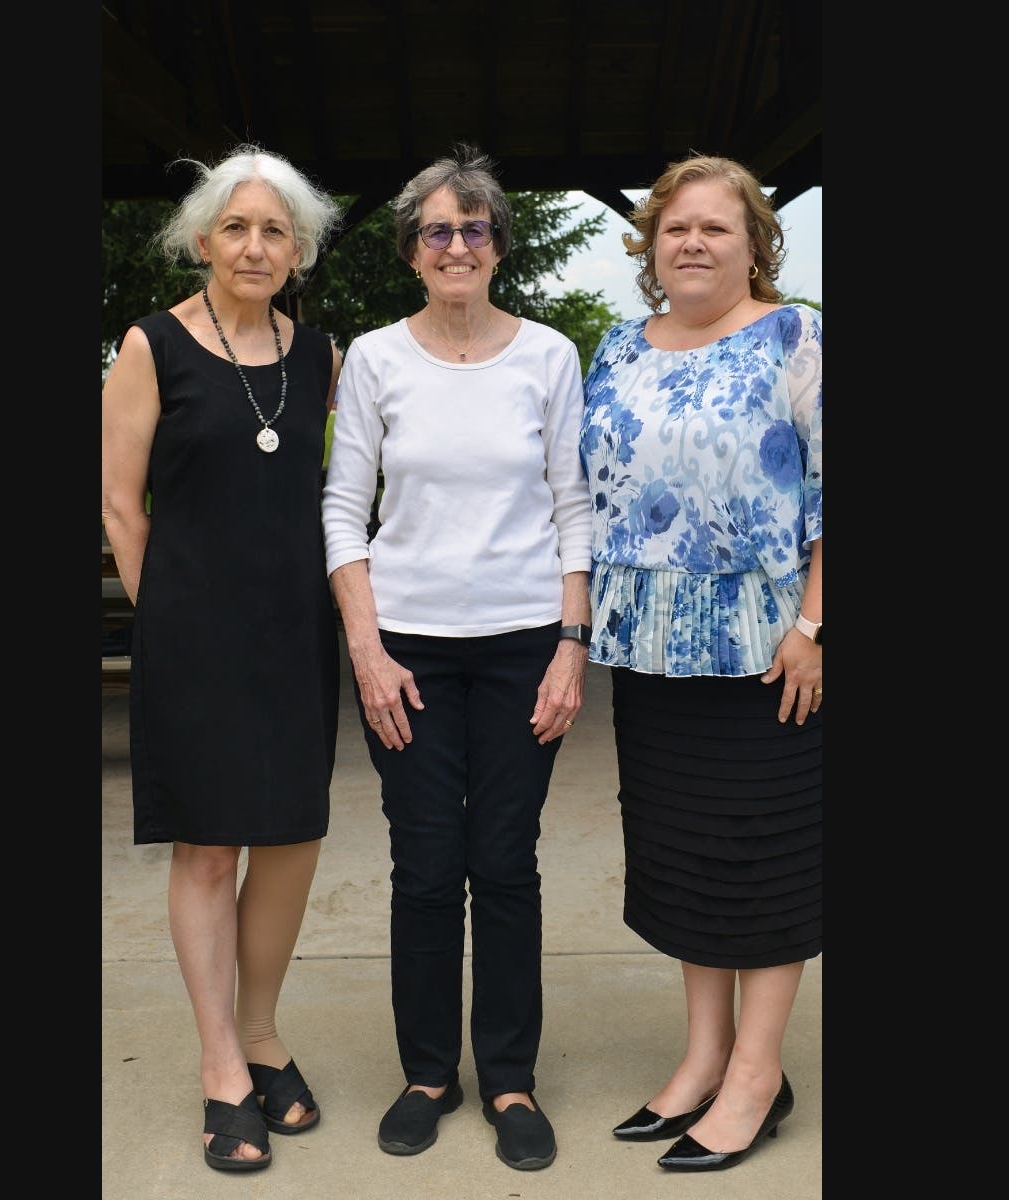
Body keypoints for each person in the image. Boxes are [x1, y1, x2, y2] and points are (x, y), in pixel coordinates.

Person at [320, 145, 591, 1172]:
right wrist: (366, 649)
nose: (456, 245)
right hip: (408, 652)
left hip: (525, 642)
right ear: (411, 252)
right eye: (437, 229)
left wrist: (571, 647)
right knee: (427, 865)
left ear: (496, 245)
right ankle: (428, 1073)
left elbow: (574, 507)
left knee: (504, 862)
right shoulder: (380, 357)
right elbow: (344, 510)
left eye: (474, 228)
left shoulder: (549, 357)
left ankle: (510, 1078)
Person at [100, 144, 342, 1175]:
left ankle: (261, 1030)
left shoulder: (320, 355)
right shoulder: (150, 344)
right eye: (236, 227)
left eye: (275, 230)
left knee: (288, 841)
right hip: (193, 635)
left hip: (294, 631)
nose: (255, 244)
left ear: (300, 252)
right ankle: (219, 1067)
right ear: (202, 241)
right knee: (207, 849)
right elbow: (119, 500)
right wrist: (173, 622)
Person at [579, 154, 822, 1174]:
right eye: (674, 227)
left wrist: (817, 625)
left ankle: (757, 1075)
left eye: (715, 228)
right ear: (648, 244)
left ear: (753, 242)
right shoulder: (616, 348)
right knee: (684, 856)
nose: (692, 243)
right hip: (648, 649)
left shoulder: (797, 338)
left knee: (763, 859)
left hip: (769, 647)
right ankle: (704, 1055)